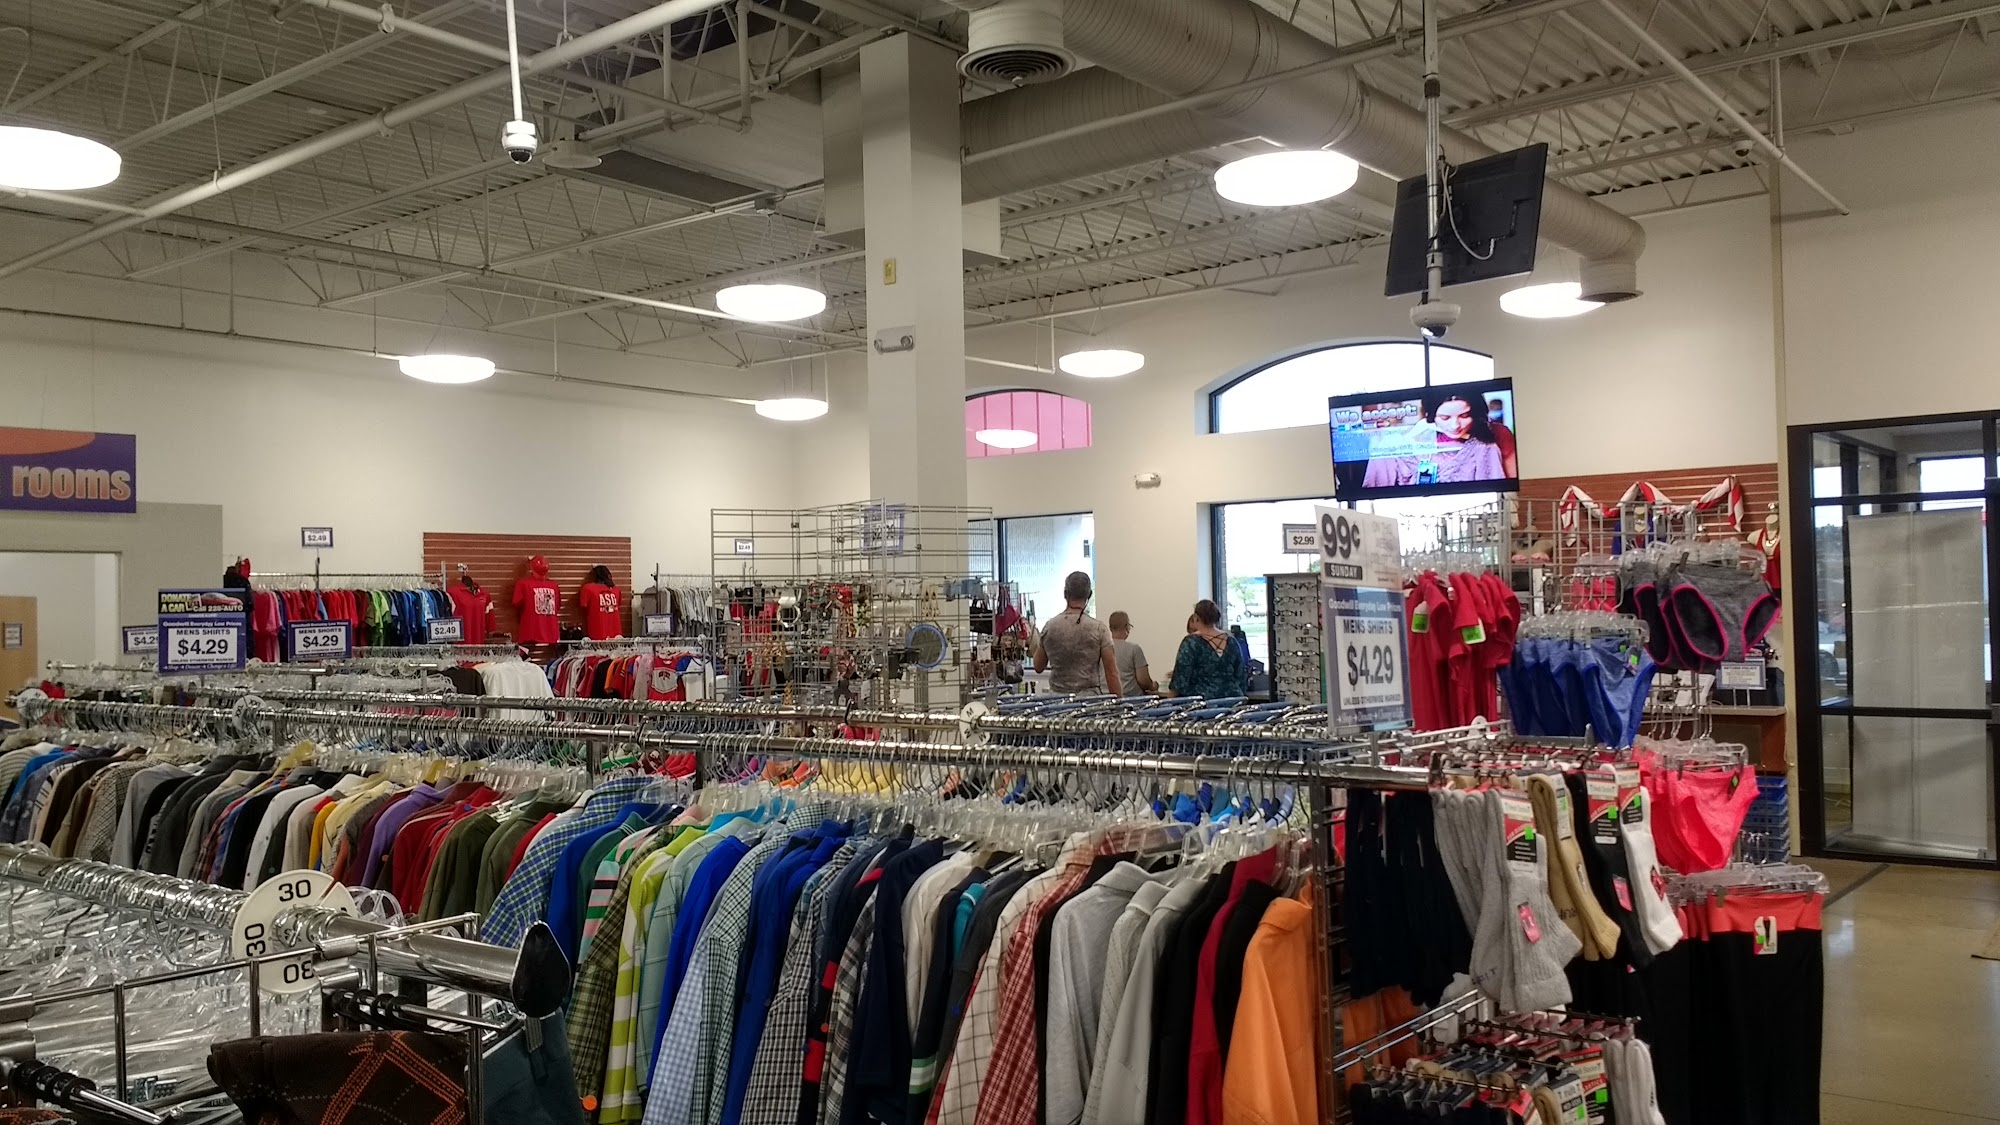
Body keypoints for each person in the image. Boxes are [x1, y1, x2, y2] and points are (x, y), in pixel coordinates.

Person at [1362, 391, 1513, 488]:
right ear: (1430, 415)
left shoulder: (1484, 448)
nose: (1455, 425)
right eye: (1445, 417)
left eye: (1464, 416)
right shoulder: (1391, 446)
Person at [1034, 571, 1120, 695]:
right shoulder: (1099, 629)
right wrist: (1119, 702)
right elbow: (1111, 673)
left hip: (1057, 700)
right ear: (1089, 595)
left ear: (1065, 594)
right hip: (1090, 700)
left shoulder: (1049, 627)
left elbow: (1038, 666)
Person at [1170, 599, 1248, 699]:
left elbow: (1181, 678)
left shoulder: (1191, 642)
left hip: (1202, 701)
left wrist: (1170, 699)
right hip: (1233, 699)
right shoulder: (1231, 641)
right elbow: (1241, 675)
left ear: (1196, 617)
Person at [1107, 611, 1155, 696]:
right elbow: (1143, 681)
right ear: (1126, 627)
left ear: (1110, 628)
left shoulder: (1102, 648)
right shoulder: (1134, 649)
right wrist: (1153, 685)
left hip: (1107, 698)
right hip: (1131, 699)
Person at [579, 565, 622, 640]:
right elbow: (617, 606)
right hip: (616, 635)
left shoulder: (588, 589)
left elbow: (583, 605)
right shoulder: (616, 590)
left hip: (596, 634)